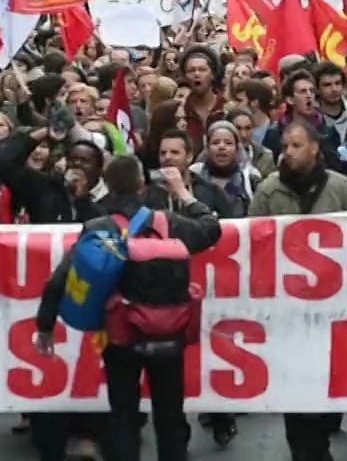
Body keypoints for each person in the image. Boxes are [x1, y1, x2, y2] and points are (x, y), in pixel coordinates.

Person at [35, 155, 221, 461]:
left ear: (107, 186)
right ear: (142, 186)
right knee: (171, 415)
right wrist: (183, 194)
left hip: (120, 335)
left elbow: (61, 278)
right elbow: (211, 229)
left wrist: (45, 326)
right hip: (169, 334)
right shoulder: (168, 223)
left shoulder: (98, 227)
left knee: (123, 415)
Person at [247, 121, 347, 461]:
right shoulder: (270, 190)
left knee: (326, 379)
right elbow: (252, 238)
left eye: (297, 146)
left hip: (333, 305)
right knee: (296, 387)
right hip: (288, 307)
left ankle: (324, 425)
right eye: (285, 147)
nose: (289, 153)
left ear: (314, 148)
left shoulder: (340, 188)